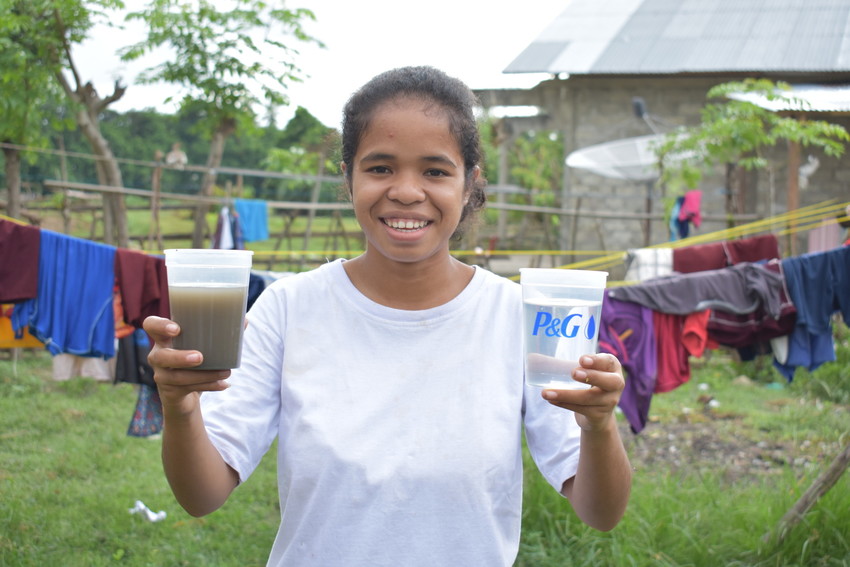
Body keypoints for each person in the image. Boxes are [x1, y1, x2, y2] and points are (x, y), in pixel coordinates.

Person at [144, 66, 632, 566]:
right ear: (348, 177)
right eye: (379, 168)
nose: (405, 191)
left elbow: (601, 511)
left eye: (435, 171)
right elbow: (201, 496)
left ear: (469, 184)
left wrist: (597, 425)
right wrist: (180, 406)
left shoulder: (521, 319)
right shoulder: (289, 310)